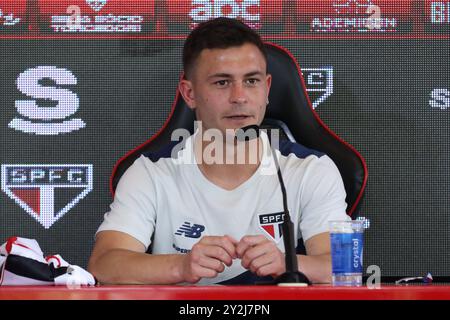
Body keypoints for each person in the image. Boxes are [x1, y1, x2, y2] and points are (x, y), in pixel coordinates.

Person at [88, 17, 349, 285]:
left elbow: (342, 268)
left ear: (267, 88)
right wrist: (181, 266)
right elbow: (104, 264)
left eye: (251, 81)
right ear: (189, 94)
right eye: (222, 83)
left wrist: (287, 263)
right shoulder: (151, 171)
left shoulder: (309, 169)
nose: (239, 97)